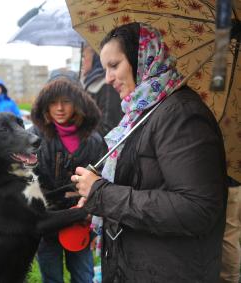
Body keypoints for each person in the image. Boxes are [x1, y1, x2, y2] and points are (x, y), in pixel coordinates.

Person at [71, 22, 227, 282]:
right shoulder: (140, 113)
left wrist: (103, 192)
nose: (107, 78)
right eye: (105, 67)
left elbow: (198, 208)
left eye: (114, 65)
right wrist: (97, 195)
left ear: (142, 58)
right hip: (136, 265)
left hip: (171, 270)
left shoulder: (181, 114)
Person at [30, 69, 107, 283]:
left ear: (78, 103)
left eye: (66, 101)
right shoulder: (32, 137)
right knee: (51, 277)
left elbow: (101, 184)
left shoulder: (94, 140)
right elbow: (24, 182)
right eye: (53, 102)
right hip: (46, 224)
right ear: (45, 104)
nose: (60, 108)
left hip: (80, 223)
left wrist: (93, 218)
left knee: (83, 276)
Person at [81, 44, 123, 136]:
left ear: (97, 58)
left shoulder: (108, 85)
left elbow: (109, 124)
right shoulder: (89, 83)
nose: (82, 62)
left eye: (84, 57)